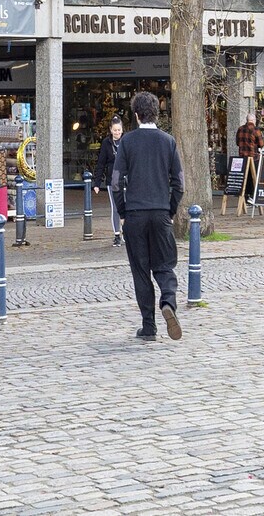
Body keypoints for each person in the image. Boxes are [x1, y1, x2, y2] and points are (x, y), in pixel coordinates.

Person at [113, 91, 185, 343]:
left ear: (135, 115)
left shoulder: (127, 142)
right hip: (160, 212)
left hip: (134, 214)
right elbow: (179, 184)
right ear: (157, 113)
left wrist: (122, 212)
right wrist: (170, 209)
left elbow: (115, 182)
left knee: (141, 271)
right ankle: (168, 301)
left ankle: (149, 326)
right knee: (165, 265)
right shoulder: (168, 141)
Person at [93, 116, 126, 247]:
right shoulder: (106, 143)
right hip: (112, 179)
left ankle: (126, 233)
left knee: (127, 206)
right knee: (116, 207)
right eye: (115, 130)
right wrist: (96, 183)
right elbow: (101, 163)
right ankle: (117, 234)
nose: (117, 133)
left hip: (125, 179)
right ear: (111, 130)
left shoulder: (126, 141)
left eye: (119, 130)